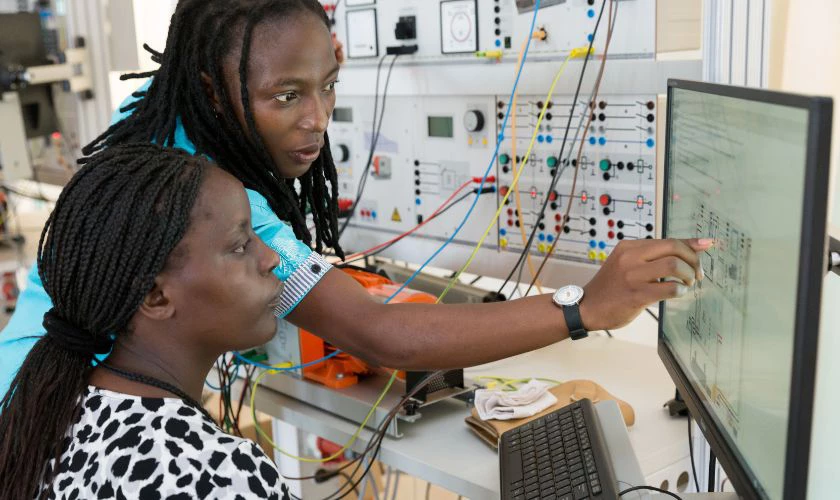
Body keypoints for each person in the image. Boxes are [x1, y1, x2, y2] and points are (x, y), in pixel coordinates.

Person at [0, 0, 710, 396]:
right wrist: (584, 306)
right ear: (214, 91)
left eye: (327, 86)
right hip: (51, 424)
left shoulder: (156, 115)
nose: (318, 118)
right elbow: (381, 336)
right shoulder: (204, 199)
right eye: (286, 95)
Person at [0, 144, 292, 499]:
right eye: (239, 246)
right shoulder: (218, 475)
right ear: (156, 296)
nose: (271, 258)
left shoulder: (51, 414)